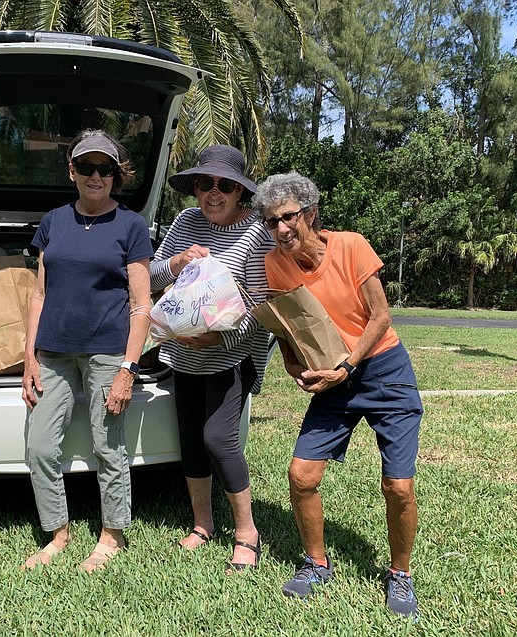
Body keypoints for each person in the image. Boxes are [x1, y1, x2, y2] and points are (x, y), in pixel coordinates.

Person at [253, 171, 423, 618]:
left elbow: (381, 318)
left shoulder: (350, 245)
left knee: (399, 486)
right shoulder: (275, 263)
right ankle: (316, 564)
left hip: (383, 369)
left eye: (288, 217)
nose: (281, 229)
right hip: (332, 378)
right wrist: (295, 365)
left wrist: (346, 366)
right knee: (301, 475)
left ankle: (400, 575)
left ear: (309, 213)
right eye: (271, 222)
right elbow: (291, 327)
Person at [21, 129, 153, 572]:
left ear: (116, 176)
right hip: (53, 354)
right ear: (72, 171)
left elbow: (140, 306)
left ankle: (111, 535)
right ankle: (58, 532)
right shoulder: (54, 221)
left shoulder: (132, 226)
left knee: (107, 446)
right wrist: (29, 358)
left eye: (106, 169)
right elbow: (38, 294)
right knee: (39, 446)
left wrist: (127, 370)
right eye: (87, 167)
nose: (96, 176)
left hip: (106, 353)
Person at [150, 145, 274, 573]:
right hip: (183, 355)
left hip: (229, 356)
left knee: (218, 440)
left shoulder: (257, 233)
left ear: (240, 192)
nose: (214, 193)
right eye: (205, 183)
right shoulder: (185, 222)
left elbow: (261, 307)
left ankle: (246, 532)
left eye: (225, 185)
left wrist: (218, 341)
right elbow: (149, 274)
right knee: (190, 441)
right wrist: (177, 261)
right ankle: (203, 524)